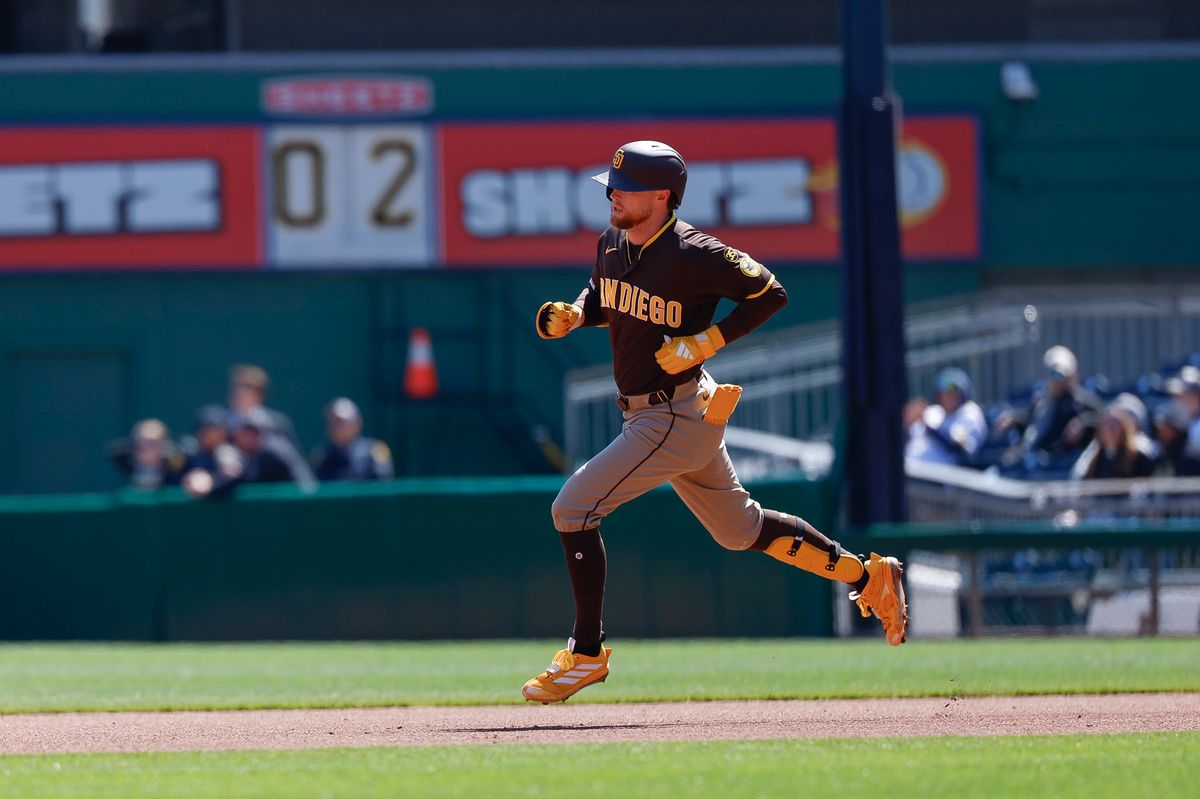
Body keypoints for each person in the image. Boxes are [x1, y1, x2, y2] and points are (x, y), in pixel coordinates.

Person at [522, 140, 907, 705]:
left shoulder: (694, 252)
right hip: (668, 412)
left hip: (670, 415)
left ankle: (586, 653)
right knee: (740, 530)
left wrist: (708, 340)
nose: (612, 195)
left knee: (572, 509)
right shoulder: (612, 242)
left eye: (624, 188)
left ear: (661, 196)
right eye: (611, 185)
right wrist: (579, 313)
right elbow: (606, 295)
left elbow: (770, 293)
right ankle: (868, 577)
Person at [996, 345, 1101, 474]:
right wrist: (1013, 419)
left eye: (1060, 375)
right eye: (1052, 374)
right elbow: (1030, 420)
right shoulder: (1041, 401)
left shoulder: (1080, 400)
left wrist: (1083, 423)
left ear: (1073, 376)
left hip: (1053, 460)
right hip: (1027, 456)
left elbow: (1099, 418)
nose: (1056, 380)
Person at [182, 407, 315, 499]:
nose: (248, 436)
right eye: (245, 430)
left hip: (299, 507)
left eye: (254, 431)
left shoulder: (272, 452)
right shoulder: (246, 452)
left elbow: (242, 476)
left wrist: (211, 482)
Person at [904, 367, 988, 466]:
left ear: (963, 393)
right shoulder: (933, 411)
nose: (947, 396)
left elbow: (957, 448)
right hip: (909, 466)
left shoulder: (970, 412)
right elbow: (910, 435)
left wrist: (927, 425)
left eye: (953, 392)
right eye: (943, 392)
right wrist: (906, 421)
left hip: (940, 472)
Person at [310, 397, 394, 481]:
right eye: (331, 421)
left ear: (357, 424)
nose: (334, 426)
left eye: (340, 421)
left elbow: (383, 482)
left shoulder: (375, 451)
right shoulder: (320, 458)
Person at [1071, 399, 1154, 480]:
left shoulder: (1138, 457)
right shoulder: (1095, 458)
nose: (1109, 430)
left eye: (1114, 425)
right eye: (1106, 425)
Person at [225, 364, 299, 449]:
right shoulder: (220, 424)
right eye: (236, 386)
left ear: (260, 394)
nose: (239, 392)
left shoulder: (278, 425)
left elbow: (291, 455)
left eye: (246, 388)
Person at [106, 418, 187, 490]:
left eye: (153, 443)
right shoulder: (125, 460)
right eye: (143, 442)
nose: (147, 446)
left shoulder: (173, 466)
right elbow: (113, 449)